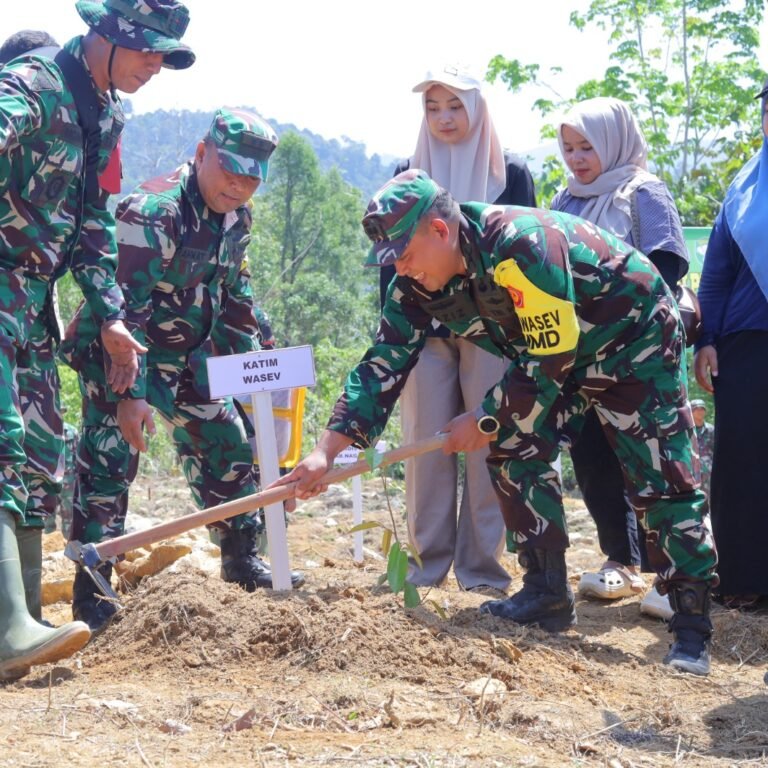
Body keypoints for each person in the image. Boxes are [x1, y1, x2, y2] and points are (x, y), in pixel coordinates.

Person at [277, 169, 718, 675]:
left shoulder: (520, 246)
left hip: (631, 339)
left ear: (439, 232)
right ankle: (546, 593)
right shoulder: (415, 283)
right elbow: (385, 361)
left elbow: (551, 355)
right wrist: (326, 452)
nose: (402, 269)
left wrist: (484, 417)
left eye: (406, 254)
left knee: (660, 474)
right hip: (555, 354)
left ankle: (691, 628)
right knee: (515, 441)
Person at [0, 0, 194, 680]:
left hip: (30, 299)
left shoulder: (104, 114)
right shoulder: (31, 84)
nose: (153, 64)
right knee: (0, 441)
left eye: (165, 55)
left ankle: (19, 617)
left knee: (41, 450)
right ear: (104, 34)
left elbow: (92, 226)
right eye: (145, 48)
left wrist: (110, 314)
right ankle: (6, 627)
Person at [60, 108, 304, 633]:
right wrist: (130, 395)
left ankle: (241, 560)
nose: (238, 186)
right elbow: (124, 312)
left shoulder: (236, 215)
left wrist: (265, 355)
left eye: (251, 179)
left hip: (188, 356)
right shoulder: (156, 212)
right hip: (120, 356)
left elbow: (233, 292)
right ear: (200, 154)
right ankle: (91, 591)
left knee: (228, 442)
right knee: (109, 462)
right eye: (229, 172)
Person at [378, 65, 536, 591]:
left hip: (492, 328)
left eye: (454, 106)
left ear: (477, 108)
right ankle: (426, 565)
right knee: (427, 441)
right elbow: (392, 253)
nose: (444, 118)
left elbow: (526, 255)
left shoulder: (510, 172)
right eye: (432, 107)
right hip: (425, 330)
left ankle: (482, 570)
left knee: (486, 437)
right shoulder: (407, 169)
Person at [550, 97, 689, 621]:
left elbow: (664, 267)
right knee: (593, 456)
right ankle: (623, 560)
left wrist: (618, 324)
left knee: (651, 460)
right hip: (581, 352)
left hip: (639, 350)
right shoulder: (566, 198)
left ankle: (671, 576)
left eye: (587, 146)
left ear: (613, 141)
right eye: (568, 147)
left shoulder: (643, 193)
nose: (577, 158)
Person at [694, 79, 768, 610]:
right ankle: (743, 577)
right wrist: (706, 338)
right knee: (741, 458)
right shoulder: (745, 189)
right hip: (746, 342)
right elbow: (716, 273)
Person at [690, 399, 714, 500]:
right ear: (691, 411)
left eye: (702, 409)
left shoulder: (711, 429)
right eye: (697, 409)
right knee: (693, 501)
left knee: (710, 500)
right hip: (691, 472)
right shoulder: (687, 430)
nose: (700, 411)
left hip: (709, 473)